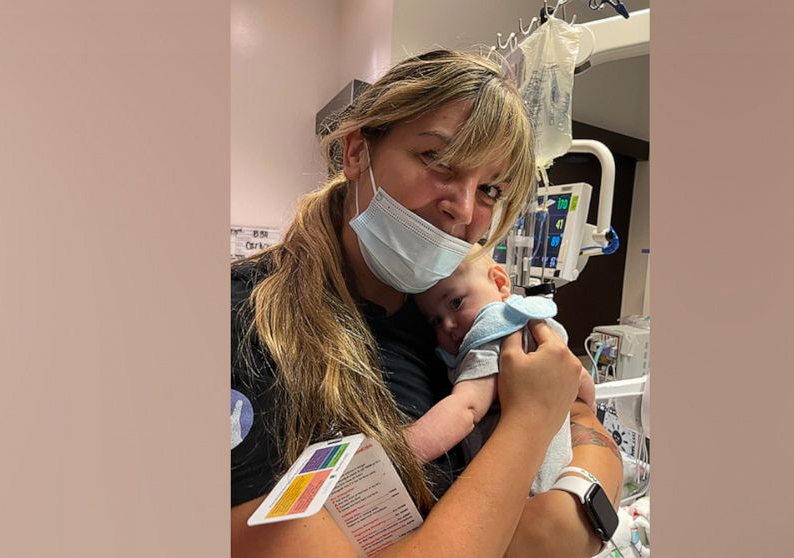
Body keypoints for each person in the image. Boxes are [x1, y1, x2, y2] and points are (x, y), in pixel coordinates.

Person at [231, 49, 624, 558]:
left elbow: (581, 417)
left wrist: (572, 510)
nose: (462, 208)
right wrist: (530, 432)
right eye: (437, 159)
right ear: (356, 153)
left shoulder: (451, 314)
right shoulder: (250, 323)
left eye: (490, 188)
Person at [408, 245, 597, 496]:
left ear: (499, 282)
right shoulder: (533, 321)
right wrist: (589, 410)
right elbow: (580, 378)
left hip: (518, 488)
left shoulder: (490, 336)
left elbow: (466, 409)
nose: (449, 325)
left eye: (455, 303)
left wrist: (403, 450)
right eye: (436, 321)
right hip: (557, 472)